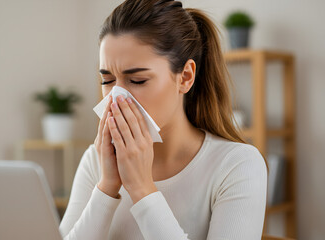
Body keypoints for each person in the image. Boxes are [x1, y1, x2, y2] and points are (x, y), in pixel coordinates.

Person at [59, 0, 268, 239]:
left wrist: (141, 188)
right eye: (107, 81)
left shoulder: (236, 165)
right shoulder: (96, 161)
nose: (116, 99)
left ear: (185, 77)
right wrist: (107, 187)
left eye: (137, 81)